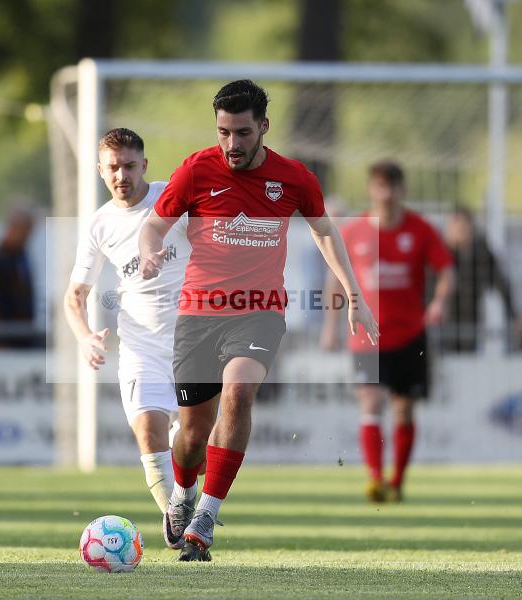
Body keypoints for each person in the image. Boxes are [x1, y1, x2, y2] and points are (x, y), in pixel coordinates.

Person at [138, 80, 379, 561]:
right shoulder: (196, 170)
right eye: (224, 132)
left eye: (242, 133)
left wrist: (355, 295)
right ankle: (182, 495)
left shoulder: (294, 178)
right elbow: (154, 224)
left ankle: (205, 517)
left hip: (259, 311)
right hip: (199, 314)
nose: (232, 144)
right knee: (191, 436)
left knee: (239, 392)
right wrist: (148, 253)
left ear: (263, 127)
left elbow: (325, 232)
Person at [65, 128, 191, 515]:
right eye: (113, 168)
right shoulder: (99, 225)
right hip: (141, 345)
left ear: (145, 166)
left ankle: (185, 502)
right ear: (100, 171)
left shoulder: (172, 198)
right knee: (148, 431)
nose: (122, 176)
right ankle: (176, 518)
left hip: (194, 341)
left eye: (130, 166)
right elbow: (75, 296)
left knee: (191, 443)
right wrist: (85, 336)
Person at [321, 160, 455, 504]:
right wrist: (331, 327)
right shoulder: (353, 232)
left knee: (404, 409)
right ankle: (376, 478)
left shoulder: (421, 230)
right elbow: (336, 279)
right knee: (371, 400)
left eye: (392, 186)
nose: (387, 193)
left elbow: (446, 271)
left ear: (402, 190)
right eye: (380, 185)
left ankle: (397, 480)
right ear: (371, 189)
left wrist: (438, 302)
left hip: (410, 335)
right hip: (367, 336)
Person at [442, 207, 522, 353]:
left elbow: (501, 284)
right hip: (442, 323)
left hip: (469, 322)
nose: (458, 233)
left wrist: (515, 317)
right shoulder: (440, 254)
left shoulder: (481, 253)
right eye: (454, 228)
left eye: (462, 228)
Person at [0, 202, 38, 348]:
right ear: (14, 228)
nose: (28, 236)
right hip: (4, 340)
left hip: (23, 336)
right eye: (25, 231)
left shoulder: (22, 256)